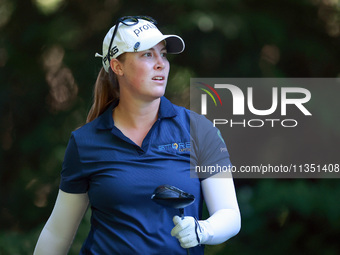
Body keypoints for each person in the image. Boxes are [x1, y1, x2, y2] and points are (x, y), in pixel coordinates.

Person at [34, 15, 241, 255]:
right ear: (117, 66)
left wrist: (202, 230)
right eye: (147, 54)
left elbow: (230, 214)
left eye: (163, 54)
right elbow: (57, 233)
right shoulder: (85, 142)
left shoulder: (199, 129)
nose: (161, 63)